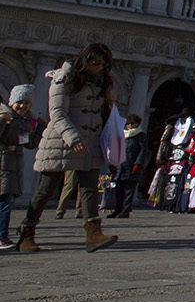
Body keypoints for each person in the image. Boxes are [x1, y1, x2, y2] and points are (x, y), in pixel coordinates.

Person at [17, 43, 119, 253]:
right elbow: (57, 113)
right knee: (46, 189)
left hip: (89, 141)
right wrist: (72, 138)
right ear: (84, 61)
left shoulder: (101, 82)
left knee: (90, 186)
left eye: (102, 64)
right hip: (60, 141)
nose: (98, 67)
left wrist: (110, 102)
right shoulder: (64, 78)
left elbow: (99, 114)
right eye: (94, 63)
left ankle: (93, 233)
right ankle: (27, 234)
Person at [1, 85, 41, 249]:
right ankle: (1, 236)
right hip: (3, 163)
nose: (23, 106)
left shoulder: (26, 120)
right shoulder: (5, 115)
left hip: (13, 165)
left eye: (27, 103)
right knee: (4, 202)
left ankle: (2, 235)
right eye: (20, 102)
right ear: (12, 102)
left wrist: (40, 129)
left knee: (6, 201)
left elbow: (29, 144)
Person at [110, 113, 147, 218]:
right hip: (121, 166)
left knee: (129, 190)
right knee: (119, 189)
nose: (130, 126)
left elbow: (143, 151)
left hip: (132, 166)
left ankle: (126, 210)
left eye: (132, 124)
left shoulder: (140, 136)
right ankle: (117, 209)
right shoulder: (122, 135)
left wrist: (138, 163)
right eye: (128, 124)